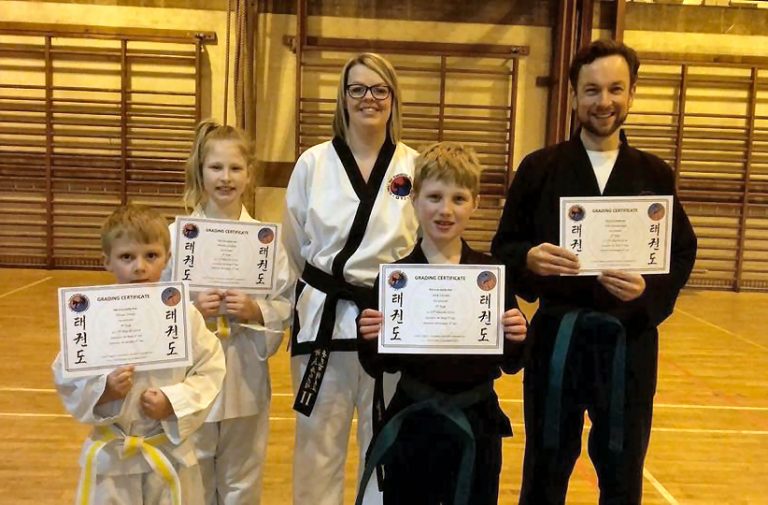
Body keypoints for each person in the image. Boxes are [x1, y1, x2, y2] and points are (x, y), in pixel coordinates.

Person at [491, 39, 698, 505]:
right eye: (591, 90)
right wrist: (527, 259)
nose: (603, 101)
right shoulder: (539, 169)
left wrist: (649, 292)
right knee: (545, 465)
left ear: (631, 94)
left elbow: (682, 250)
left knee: (622, 469)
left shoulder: (653, 174)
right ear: (573, 96)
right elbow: (502, 248)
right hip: (558, 340)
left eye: (614, 89)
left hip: (629, 343)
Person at [356, 141, 528, 505]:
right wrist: (370, 335)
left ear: (476, 203)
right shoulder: (396, 278)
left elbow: (511, 362)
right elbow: (378, 364)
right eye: (434, 197)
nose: (445, 210)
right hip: (413, 420)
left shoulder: (492, 276)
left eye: (459, 199)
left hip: (477, 421)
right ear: (414, 200)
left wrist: (517, 333)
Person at [281, 53, 419, 505]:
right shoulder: (313, 163)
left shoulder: (413, 165)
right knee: (318, 447)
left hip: (390, 322)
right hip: (325, 317)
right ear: (343, 97)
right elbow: (293, 247)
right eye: (357, 89)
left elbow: (424, 247)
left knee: (385, 446)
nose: (368, 99)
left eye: (379, 89)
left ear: (393, 98)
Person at [52, 204, 225, 505]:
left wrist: (173, 401)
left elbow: (210, 369)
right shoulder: (90, 317)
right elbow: (66, 374)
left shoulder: (185, 315)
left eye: (151, 255)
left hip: (169, 452)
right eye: (126, 257)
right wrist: (103, 390)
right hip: (112, 459)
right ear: (107, 261)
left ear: (167, 259)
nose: (140, 267)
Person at [162, 119, 293, 505]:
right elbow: (157, 305)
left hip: (244, 374)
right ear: (199, 172)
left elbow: (285, 302)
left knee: (242, 479)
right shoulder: (175, 238)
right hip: (191, 379)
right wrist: (190, 310)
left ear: (250, 174)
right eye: (215, 168)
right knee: (193, 476)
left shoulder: (266, 242)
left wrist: (256, 310)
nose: (225, 177)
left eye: (235, 168)